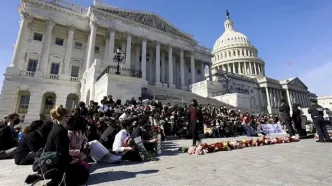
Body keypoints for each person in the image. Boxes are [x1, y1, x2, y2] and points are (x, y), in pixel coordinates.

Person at [25, 106, 89, 186]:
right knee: (84, 174)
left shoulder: (56, 128)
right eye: (69, 116)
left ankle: (45, 177)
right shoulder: (60, 131)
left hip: (51, 162)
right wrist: (72, 161)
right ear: (64, 117)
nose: (70, 118)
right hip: (55, 165)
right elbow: (62, 153)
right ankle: (52, 182)